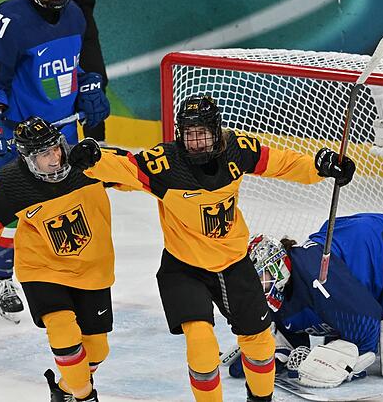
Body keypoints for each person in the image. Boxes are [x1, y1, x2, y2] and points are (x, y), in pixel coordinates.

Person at [66, 94, 357, 401]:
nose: (195, 141)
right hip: (184, 268)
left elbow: (281, 163)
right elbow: (124, 168)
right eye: (189, 134)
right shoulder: (165, 164)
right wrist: (94, 160)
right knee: (201, 345)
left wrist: (319, 167)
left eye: (202, 133)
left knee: (260, 343)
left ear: (217, 131)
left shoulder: (238, 149)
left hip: (234, 262)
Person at [0, 0, 112, 320]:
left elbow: (71, 70)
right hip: (22, 136)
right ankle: (3, 279)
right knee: (13, 213)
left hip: (64, 135)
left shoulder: (74, 14)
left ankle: (65, 275)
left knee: (69, 207)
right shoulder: (10, 20)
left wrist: (88, 86)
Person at [0, 117, 116, 402]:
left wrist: (101, 155)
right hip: (43, 269)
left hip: (92, 269)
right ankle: (85, 397)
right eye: (45, 154)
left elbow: (134, 172)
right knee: (63, 331)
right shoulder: (11, 182)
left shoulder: (85, 164)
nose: (55, 158)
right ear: (28, 159)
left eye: (56, 148)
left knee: (97, 350)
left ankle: (65, 391)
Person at [229, 213, 383, 388]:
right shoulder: (280, 288)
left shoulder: (316, 275)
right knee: (343, 318)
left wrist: (346, 355)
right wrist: (269, 349)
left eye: (260, 278)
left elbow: (367, 321)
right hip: (357, 256)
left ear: (277, 266)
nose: (255, 288)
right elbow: (291, 330)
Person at [47, 0, 149, 143]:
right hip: (45, 8)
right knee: (37, 76)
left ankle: (96, 142)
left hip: (77, 7)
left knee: (94, 77)